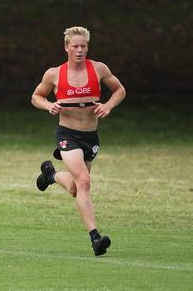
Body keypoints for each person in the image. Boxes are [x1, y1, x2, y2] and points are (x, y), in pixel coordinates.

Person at [31, 26, 126, 256]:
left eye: (84, 45)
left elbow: (119, 90)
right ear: (66, 47)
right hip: (67, 136)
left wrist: (108, 105)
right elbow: (36, 96)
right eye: (75, 46)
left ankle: (50, 175)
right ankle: (95, 238)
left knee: (75, 188)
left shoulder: (99, 69)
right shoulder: (54, 74)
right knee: (84, 181)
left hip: (90, 137)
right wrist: (48, 105)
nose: (80, 50)